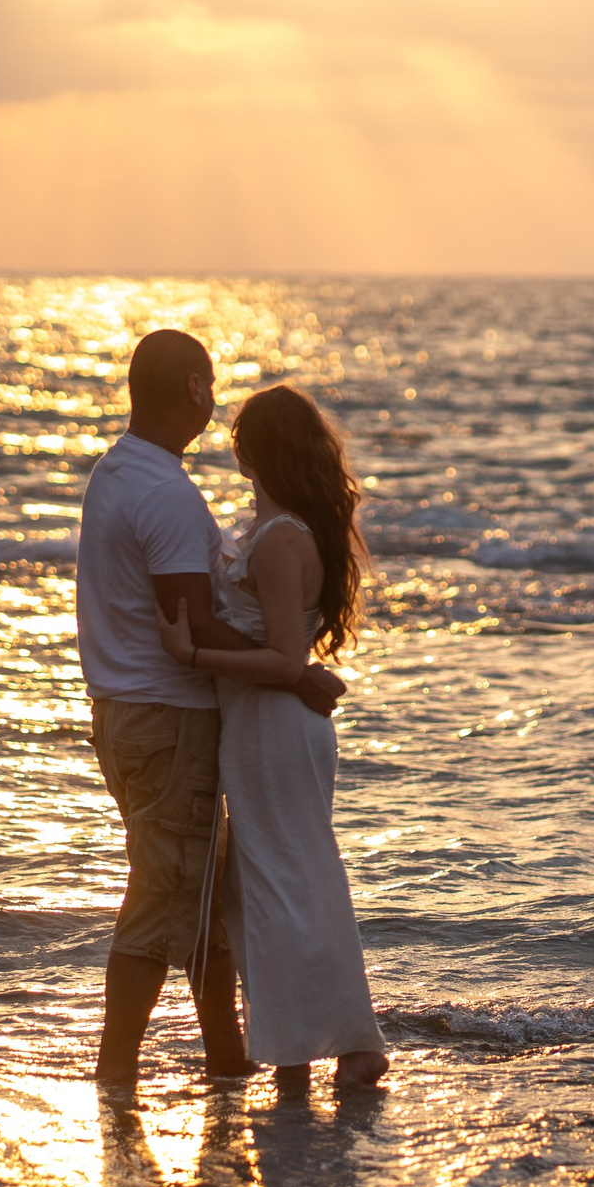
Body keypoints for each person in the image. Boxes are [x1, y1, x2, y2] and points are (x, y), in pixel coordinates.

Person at [77, 330, 341, 1092]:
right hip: (167, 719)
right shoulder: (164, 491)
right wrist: (296, 675)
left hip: (130, 711)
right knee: (166, 894)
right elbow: (191, 624)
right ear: (194, 387)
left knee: (201, 896)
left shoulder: (118, 471)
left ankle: (228, 1059)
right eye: (211, 382)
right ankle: (115, 1074)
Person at [159, 384, 388, 1091]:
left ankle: (333, 1048)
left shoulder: (283, 540)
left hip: (275, 727)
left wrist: (193, 655)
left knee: (288, 884)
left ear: (255, 451)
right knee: (270, 884)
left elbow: (287, 660)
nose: (232, 447)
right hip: (262, 726)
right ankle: (306, 1045)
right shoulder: (277, 528)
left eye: (239, 437)